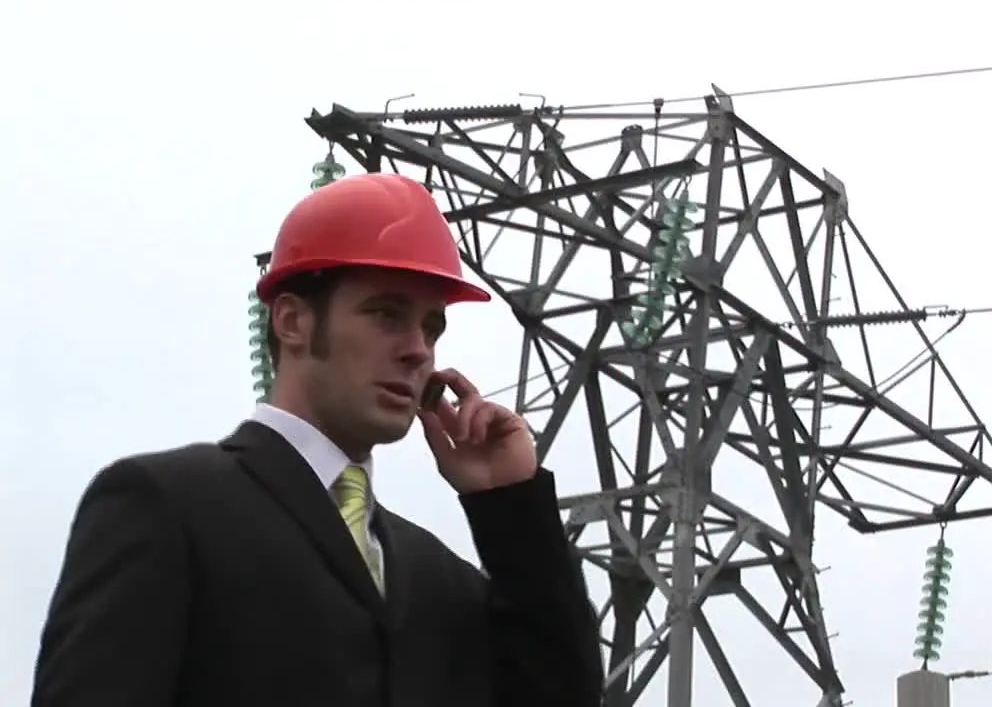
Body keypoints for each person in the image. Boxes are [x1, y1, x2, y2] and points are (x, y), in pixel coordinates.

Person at [31, 173, 604, 707]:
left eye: (431, 327)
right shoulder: (166, 505)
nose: (418, 350)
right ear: (293, 322)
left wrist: (510, 505)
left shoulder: (438, 579)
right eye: (387, 315)